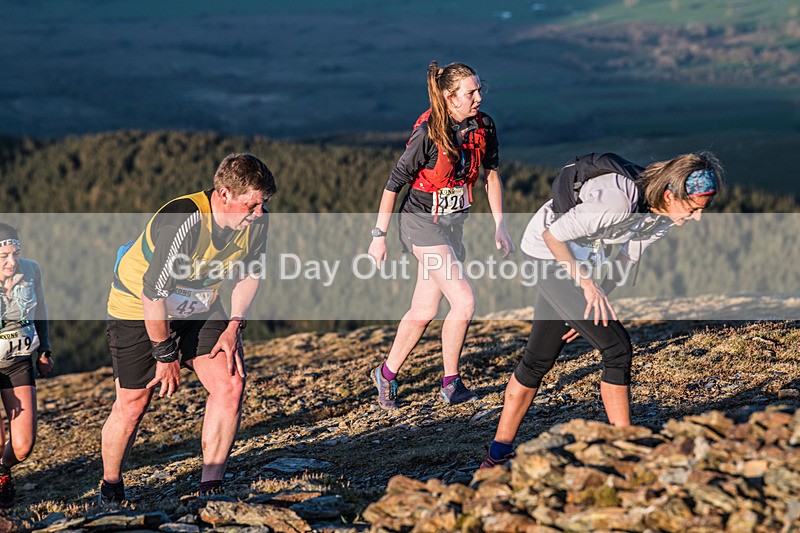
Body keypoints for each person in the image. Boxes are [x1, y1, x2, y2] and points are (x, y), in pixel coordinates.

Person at [481, 151, 724, 467]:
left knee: (539, 357)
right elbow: (551, 236)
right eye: (693, 209)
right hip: (545, 255)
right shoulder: (618, 201)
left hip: (579, 261)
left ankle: (496, 455)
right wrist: (586, 286)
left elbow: (625, 259)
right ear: (670, 194)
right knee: (617, 348)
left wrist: (592, 302)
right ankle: (626, 446)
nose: (697, 218)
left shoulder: (661, 215)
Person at [99, 153, 276, 502]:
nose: (258, 213)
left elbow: (249, 273)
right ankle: (111, 487)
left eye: (263, 204)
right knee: (134, 404)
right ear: (224, 194)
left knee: (231, 383)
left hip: (198, 306)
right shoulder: (184, 220)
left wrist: (233, 326)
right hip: (139, 308)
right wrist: (165, 355)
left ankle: (211, 489)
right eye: (251, 204)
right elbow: (154, 294)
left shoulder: (257, 222)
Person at [367, 61, 514, 410]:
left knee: (424, 309)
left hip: (452, 225)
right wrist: (379, 235)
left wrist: (500, 225)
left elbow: (491, 177)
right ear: (449, 98)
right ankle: (451, 383)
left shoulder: (484, 126)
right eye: (470, 92)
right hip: (420, 222)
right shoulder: (428, 134)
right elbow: (393, 184)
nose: (478, 98)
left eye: (479, 90)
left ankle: (386, 374)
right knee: (464, 300)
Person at [0, 223, 55, 508]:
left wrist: (44, 349)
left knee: (23, 446)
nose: (12, 261)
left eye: (16, 253)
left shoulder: (31, 270)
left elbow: (41, 309)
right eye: (4, 256)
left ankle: (1, 469)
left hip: (18, 360)